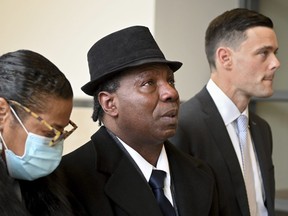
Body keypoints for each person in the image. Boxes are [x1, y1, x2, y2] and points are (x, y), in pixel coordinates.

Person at [59, 25, 219, 216]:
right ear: (109, 103)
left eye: (171, 81)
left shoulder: (200, 174)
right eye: (148, 83)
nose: (171, 93)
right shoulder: (69, 180)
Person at [170, 8, 280, 216]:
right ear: (225, 58)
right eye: (263, 53)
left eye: (275, 53)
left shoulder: (262, 129)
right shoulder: (182, 126)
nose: (276, 63)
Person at [0, 49, 84, 215]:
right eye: (49, 133)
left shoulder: (53, 187)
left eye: (62, 133)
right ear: (2, 113)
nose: (55, 145)